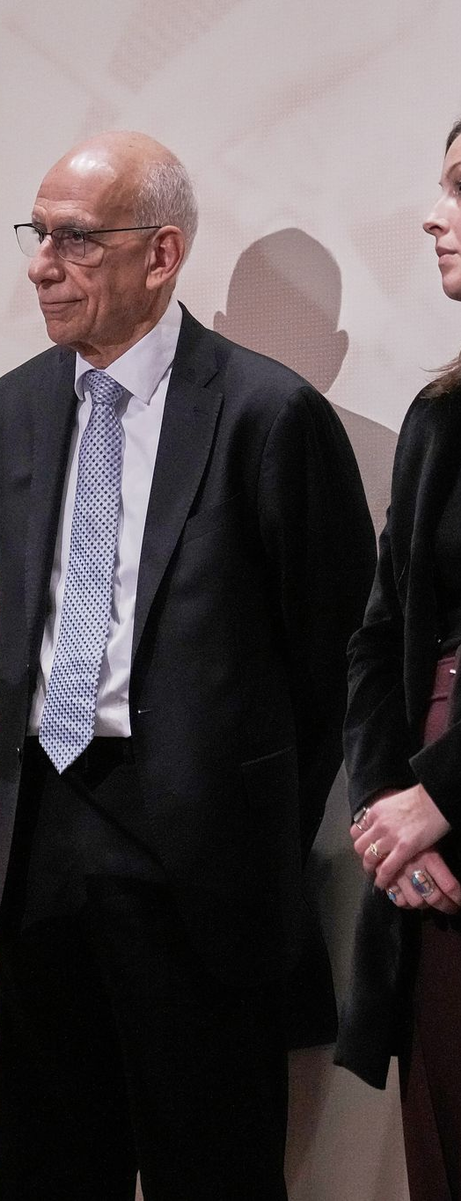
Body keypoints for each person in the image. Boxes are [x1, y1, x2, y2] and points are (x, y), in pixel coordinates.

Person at [0, 131, 375, 1199]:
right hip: (44, 830)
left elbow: (330, 651)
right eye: (38, 232)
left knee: (213, 1163)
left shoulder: (268, 414)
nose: (41, 264)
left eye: (74, 239)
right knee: (52, 1160)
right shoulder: (13, 407)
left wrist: (240, 815)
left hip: (197, 859)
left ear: (162, 254)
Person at [336, 119, 461, 1201]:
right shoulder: (437, 415)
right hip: (428, 861)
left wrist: (442, 793)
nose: (434, 213)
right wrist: (389, 802)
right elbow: (381, 632)